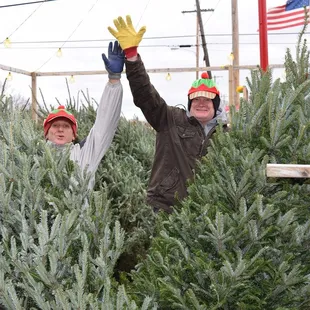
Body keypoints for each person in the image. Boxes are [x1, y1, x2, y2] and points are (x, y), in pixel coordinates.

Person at [108, 16, 228, 213]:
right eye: (196, 99)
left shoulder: (226, 135)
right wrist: (131, 57)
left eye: (207, 100)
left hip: (209, 213)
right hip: (165, 207)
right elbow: (145, 95)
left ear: (215, 105)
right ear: (190, 103)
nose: (201, 103)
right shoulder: (171, 119)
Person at [43, 41, 124, 190]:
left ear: (74, 135)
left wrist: (114, 80)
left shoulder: (85, 155)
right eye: (55, 125)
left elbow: (104, 125)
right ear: (46, 133)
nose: (60, 129)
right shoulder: (34, 158)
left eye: (66, 126)